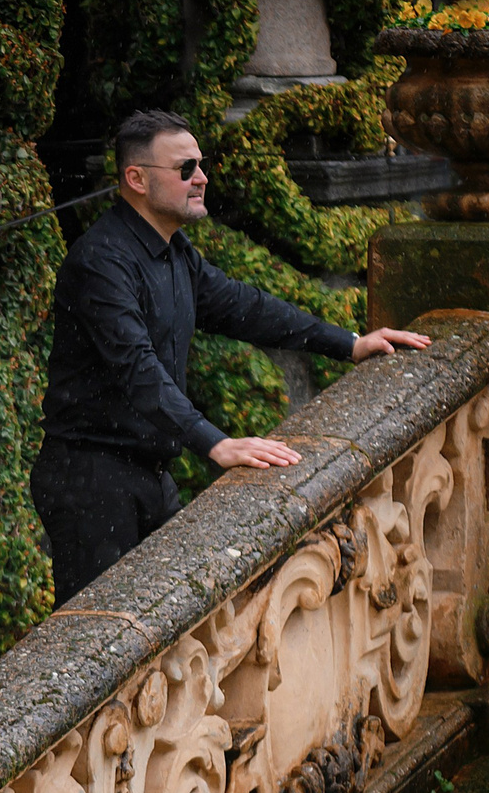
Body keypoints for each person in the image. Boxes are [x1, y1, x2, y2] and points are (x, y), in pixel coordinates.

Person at [33, 109, 432, 597]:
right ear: (135, 179)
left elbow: (248, 309)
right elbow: (137, 367)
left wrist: (349, 344)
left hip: (147, 470)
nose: (200, 178)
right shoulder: (101, 261)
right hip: (90, 480)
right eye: (185, 169)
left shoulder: (176, 252)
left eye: (201, 164)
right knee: (96, 642)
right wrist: (215, 443)